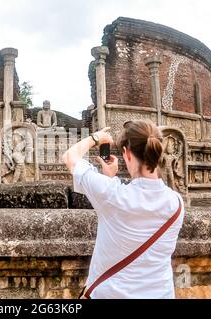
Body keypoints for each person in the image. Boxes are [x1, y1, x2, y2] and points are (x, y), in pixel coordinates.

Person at [62, 119, 185, 299]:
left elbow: (70, 157)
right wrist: (109, 179)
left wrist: (96, 137)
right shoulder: (176, 203)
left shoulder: (112, 195)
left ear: (127, 154)